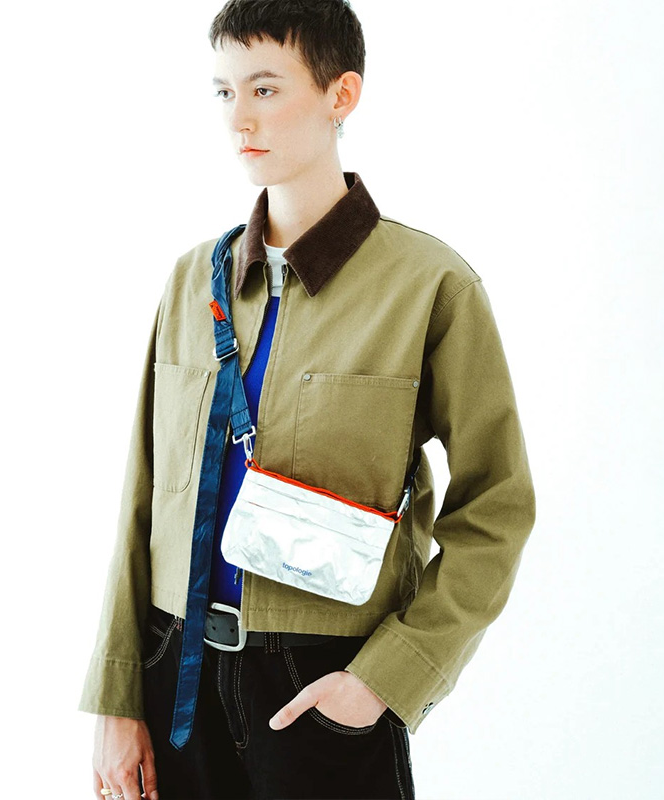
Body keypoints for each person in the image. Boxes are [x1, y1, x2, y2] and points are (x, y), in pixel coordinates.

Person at [78, 1, 537, 798]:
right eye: (224, 92)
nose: (239, 119)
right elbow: (142, 497)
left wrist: (387, 678)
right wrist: (117, 694)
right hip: (173, 674)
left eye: (265, 89)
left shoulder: (430, 285)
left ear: (340, 94)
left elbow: (496, 507)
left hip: (322, 683)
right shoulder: (193, 281)